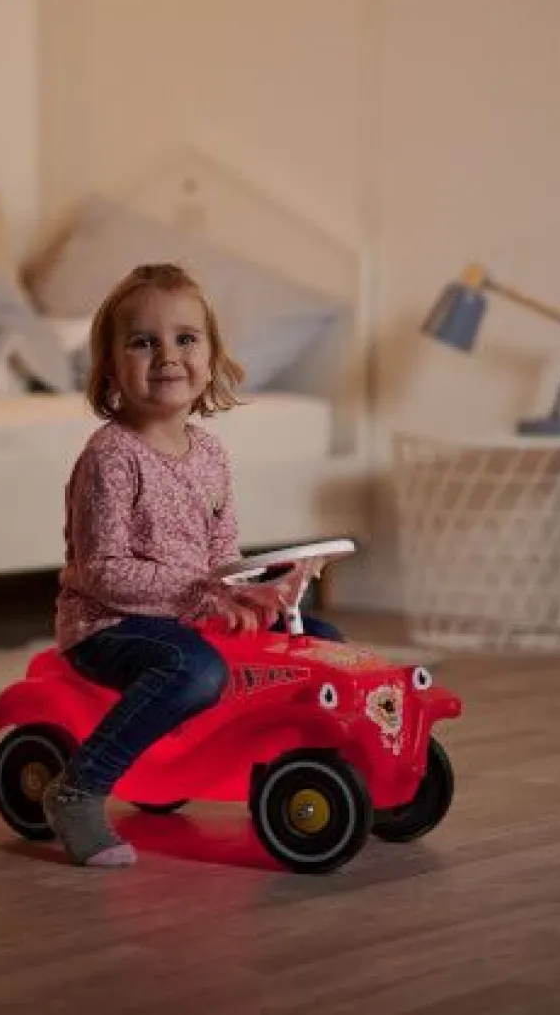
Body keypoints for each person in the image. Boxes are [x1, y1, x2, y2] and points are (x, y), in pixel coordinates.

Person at [43, 262, 343, 868]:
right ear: (111, 369)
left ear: (210, 357)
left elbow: (220, 558)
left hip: (187, 614)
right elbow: (103, 572)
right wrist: (206, 591)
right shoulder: (111, 456)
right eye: (143, 342)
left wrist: (255, 591)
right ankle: (78, 788)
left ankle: (307, 777)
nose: (167, 356)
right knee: (195, 670)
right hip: (109, 626)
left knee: (320, 643)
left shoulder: (209, 453)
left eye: (185, 338)